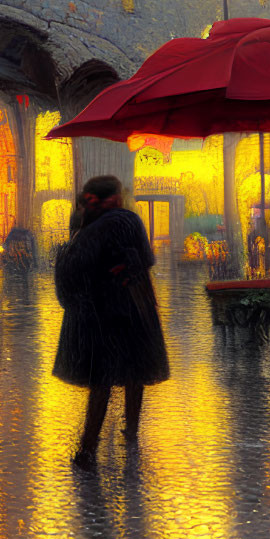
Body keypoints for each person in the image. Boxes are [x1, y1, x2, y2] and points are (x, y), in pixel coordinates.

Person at [52, 176, 170, 469]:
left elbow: (73, 273)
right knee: (135, 372)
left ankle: (87, 449)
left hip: (97, 313)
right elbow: (146, 258)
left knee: (100, 380)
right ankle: (130, 433)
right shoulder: (127, 220)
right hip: (132, 307)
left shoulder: (82, 227)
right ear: (116, 197)